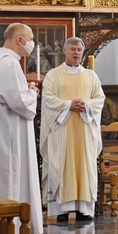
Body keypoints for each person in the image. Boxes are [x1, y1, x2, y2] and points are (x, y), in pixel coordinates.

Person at [0, 23, 43, 234]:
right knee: (9, 181)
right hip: (8, 135)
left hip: (0, 134)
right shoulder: (9, 64)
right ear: (19, 40)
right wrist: (33, 94)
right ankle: (9, 232)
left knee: (2, 180)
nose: (32, 44)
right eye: (30, 38)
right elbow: (17, 101)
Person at [40, 37, 105, 223]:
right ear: (64, 51)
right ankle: (62, 209)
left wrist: (86, 105)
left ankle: (83, 209)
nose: (76, 53)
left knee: (84, 166)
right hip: (62, 131)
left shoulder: (91, 76)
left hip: (84, 132)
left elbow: (99, 99)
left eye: (79, 50)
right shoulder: (53, 75)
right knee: (61, 165)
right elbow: (48, 99)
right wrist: (69, 105)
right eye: (73, 49)